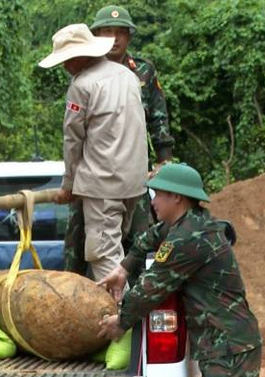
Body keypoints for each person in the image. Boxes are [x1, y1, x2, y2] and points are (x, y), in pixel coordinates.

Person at [97, 163, 262, 377]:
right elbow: (150, 236)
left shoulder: (188, 238)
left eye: (159, 194)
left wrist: (121, 321)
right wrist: (124, 268)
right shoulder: (189, 223)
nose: (153, 202)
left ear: (177, 197)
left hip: (229, 349)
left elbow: (150, 288)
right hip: (224, 346)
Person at [64, 5, 176, 280]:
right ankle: (79, 297)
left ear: (129, 37)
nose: (114, 39)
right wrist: (73, 179)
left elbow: (159, 117)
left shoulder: (142, 72)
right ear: (95, 37)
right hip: (97, 173)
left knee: (135, 242)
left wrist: (165, 159)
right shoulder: (85, 74)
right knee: (82, 242)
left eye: (119, 33)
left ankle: (129, 308)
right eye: (106, 32)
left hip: (135, 172)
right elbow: (76, 133)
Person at [38, 23, 148, 280]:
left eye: (66, 61)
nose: (65, 67)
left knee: (104, 256)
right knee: (118, 249)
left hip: (103, 183)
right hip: (133, 182)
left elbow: (73, 139)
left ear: (80, 57)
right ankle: (124, 313)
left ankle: (120, 317)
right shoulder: (127, 75)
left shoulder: (83, 84)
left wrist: (69, 184)